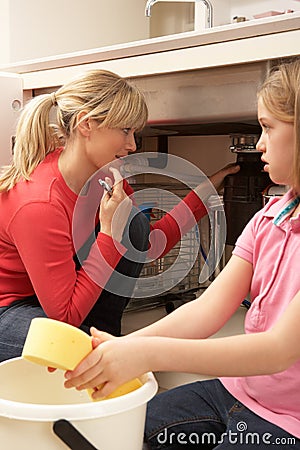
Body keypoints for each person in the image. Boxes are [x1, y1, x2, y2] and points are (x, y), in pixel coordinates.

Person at [64, 58, 300, 449]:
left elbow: (277, 351)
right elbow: (207, 309)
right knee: (125, 435)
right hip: (238, 394)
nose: (258, 143)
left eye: (268, 127)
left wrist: (145, 353)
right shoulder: (268, 218)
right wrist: (125, 347)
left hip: (290, 421)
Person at [0, 69, 237, 363]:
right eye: (125, 131)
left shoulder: (106, 178)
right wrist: (109, 232)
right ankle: (98, 347)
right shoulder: (40, 203)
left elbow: (147, 243)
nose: (133, 145)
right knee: (86, 357)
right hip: (9, 309)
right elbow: (64, 316)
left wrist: (204, 193)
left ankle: (105, 335)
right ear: (87, 124)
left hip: (54, 302)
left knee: (134, 224)